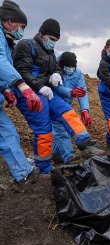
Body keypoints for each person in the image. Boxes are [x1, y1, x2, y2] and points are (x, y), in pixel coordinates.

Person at [13, 18, 94, 174]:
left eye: (56, 41)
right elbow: (21, 71)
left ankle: (83, 140)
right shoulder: (26, 45)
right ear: (42, 34)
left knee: (67, 111)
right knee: (44, 131)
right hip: (28, 93)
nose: (53, 43)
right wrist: (39, 86)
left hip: (47, 92)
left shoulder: (50, 52)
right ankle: (44, 169)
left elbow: (56, 68)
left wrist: (56, 74)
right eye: (51, 39)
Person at [0, 0, 42, 185]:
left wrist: (6, 89)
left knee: (8, 133)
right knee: (7, 133)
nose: (22, 31)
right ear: (10, 22)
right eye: (22, 26)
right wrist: (22, 86)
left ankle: (23, 174)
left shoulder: (5, 39)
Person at [53, 51, 94, 163]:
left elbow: (82, 92)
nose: (70, 69)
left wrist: (85, 110)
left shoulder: (77, 73)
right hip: (54, 104)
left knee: (62, 131)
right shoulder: (54, 70)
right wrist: (71, 92)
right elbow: (55, 88)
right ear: (61, 65)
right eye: (68, 66)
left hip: (66, 105)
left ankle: (56, 154)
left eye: (72, 66)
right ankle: (70, 158)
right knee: (60, 130)